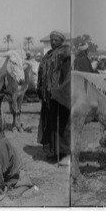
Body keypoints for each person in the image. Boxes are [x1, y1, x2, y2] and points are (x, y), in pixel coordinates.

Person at [37, 30, 71, 165]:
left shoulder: (66, 53)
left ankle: (64, 153)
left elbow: (68, 75)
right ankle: (51, 152)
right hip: (48, 98)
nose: (52, 42)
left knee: (62, 124)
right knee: (50, 124)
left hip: (60, 97)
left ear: (61, 41)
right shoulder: (48, 55)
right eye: (51, 40)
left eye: (55, 40)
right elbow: (41, 72)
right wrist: (41, 88)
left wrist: (60, 92)